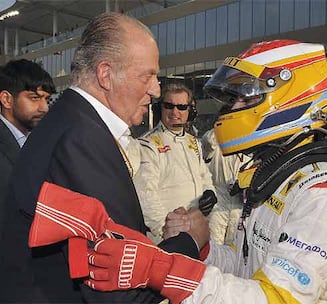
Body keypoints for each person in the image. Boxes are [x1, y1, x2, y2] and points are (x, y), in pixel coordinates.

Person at [86, 39, 327, 303]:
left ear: (290, 98)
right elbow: (242, 265)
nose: (232, 108)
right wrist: (202, 245)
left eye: (244, 99)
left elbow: (272, 299)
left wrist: (162, 270)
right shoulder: (274, 176)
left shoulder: (324, 196)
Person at [0, 12, 208, 303]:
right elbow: (119, 290)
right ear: (106, 74)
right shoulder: (80, 139)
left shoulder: (70, 122)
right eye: (147, 75)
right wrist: (191, 241)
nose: (156, 90)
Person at [133, 83, 216, 243]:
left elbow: (204, 176)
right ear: (160, 109)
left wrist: (209, 192)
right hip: (167, 238)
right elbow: (146, 197)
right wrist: (166, 230)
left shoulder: (194, 142)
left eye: (181, 107)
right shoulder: (148, 145)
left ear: (190, 111)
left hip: (195, 233)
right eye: (169, 106)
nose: (175, 112)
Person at [0, 59, 55, 225]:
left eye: (47, 100)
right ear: (6, 99)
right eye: (34, 98)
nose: (44, 108)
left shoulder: (43, 141)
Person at [201, 127, 251, 245]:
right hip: (219, 202)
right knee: (214, 244)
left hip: (239, 205)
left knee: (234, 246)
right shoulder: (215, 145)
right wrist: (224, 126)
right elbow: (208, 140)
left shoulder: (250, 147)